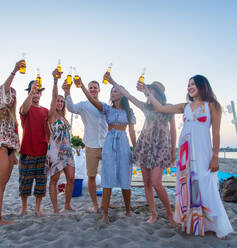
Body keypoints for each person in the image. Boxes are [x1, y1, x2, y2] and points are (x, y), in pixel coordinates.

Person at [141, 75, 233, 238]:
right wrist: (147, 93)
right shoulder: (185, 106)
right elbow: (161, 108)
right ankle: (195, 222)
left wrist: (215, 156)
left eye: (193, 84)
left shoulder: (212, 106)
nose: (189, 87)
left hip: (203, 151)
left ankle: (214, 224)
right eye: (188, 85)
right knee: (189, 186)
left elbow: (216, 133)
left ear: (202, 86)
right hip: (185, 153)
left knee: (206, 183)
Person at [107, 75, 177, 225]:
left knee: (156, 182)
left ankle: (170, 214)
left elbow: (173, 131)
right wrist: (112, 81)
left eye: (152, 89)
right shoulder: (146, 107)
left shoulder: (168, 107)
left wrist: (173, 151)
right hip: (145, 146)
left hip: (162, 147)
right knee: (146, 183)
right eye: (149, 89)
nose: (149, 92)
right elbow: (128, 95)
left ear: (158, 93)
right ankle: (153, 213)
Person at [76, 75, 136, 224]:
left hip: (123, 142)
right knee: (107, 177)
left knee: (125, 176)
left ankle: (128, 210)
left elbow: (132, 132)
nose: (113, 93)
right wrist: (83, 86)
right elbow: (92, 101)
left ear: (122, 94)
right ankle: (105, 214)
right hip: (108, 143)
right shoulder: (107, 109)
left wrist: (135, 150)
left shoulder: (129, 112)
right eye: (112, 91)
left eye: (116, 91)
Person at [0, 60, 23, 226]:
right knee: (1, 184)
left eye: (14, 95)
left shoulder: (12, 117)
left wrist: (15, 154)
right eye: (9, 94)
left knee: (2, 182)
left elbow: (15, 137)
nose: (11, 96)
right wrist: (14, 71)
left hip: (10, 150)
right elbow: (4, 88)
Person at [63, 80, 108, 212]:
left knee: (107, 176)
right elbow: (70, 107)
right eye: (91, 88)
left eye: (95, 87)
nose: (93, 89)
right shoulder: (83, 106)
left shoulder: (104, 106)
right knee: (92, 176)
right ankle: (95, 204)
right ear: (88, 90)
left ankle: (105, 202)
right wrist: (67, 92)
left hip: (106, 145)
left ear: (99, 90)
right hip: (91, 145)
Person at [18, 77, 49, 217]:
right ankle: (24, 208)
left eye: (38, 92)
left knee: (41, 182)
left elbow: (48, 130)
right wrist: (31, 92)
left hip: (42, 151)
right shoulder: (25, 107)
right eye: (33, 92)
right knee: (25, 181)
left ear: (41, 94)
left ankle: (37, 208)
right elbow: (23, 110)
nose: (36, 94)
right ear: (30, 92)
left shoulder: (45, 111)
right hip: (27, 151)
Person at [46, 69, 75, 213]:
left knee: (71, 178)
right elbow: (53, 97)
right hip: (55, 152)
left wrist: (67, 91)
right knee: (54, 180)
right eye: (58, 100)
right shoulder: (52, 115)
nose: (60, 103)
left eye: (62, 101)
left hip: (68, 151)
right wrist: (56, 81)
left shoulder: (64, 117)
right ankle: (56, 209)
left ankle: (67, 204)